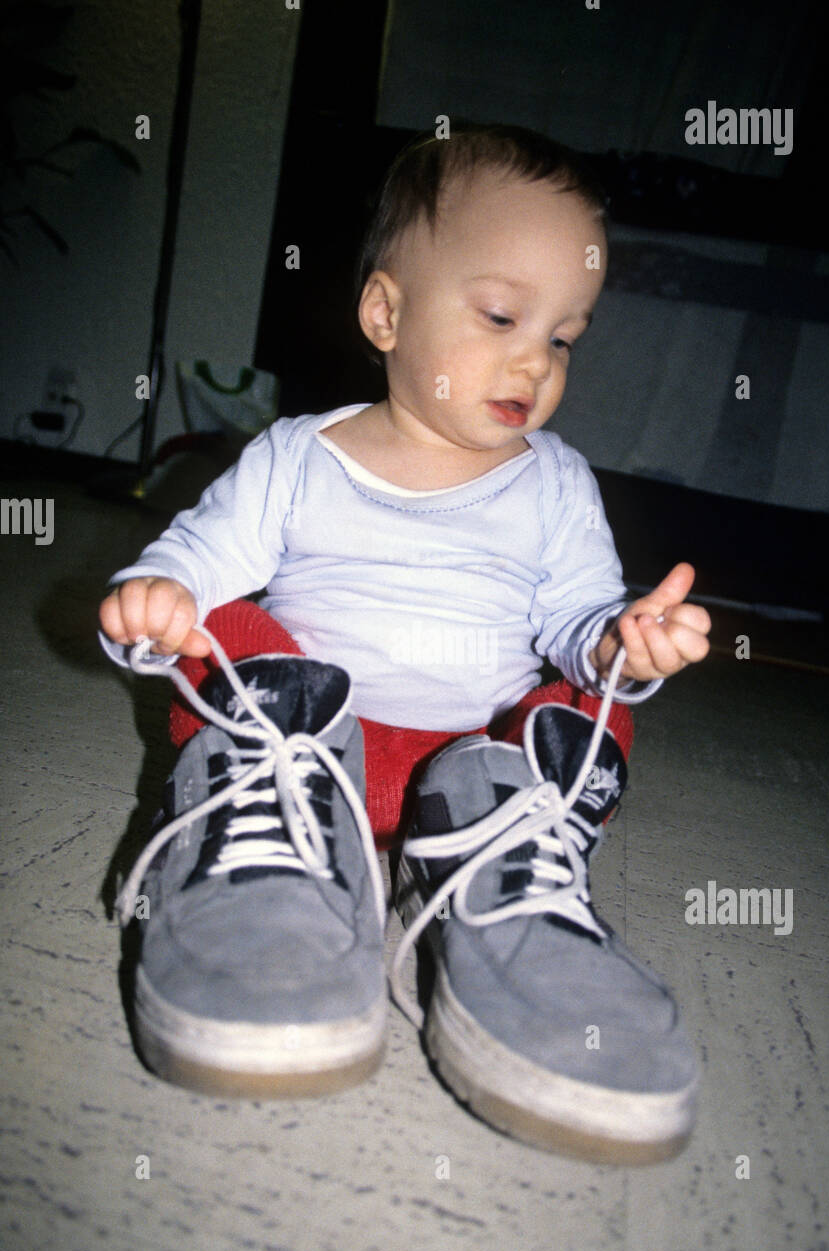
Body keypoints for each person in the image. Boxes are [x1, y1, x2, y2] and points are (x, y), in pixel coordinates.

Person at [99, 124, 710, 1163]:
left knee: (574, 714)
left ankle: (499, 881)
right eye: (504, 315)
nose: (536, 358)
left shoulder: (557, 482)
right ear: (385, 312)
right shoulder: (297, 456)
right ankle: (273, 863)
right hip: (306, 751)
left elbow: (571, 624)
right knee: (229, 635)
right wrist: (158, 597)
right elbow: (198, 556)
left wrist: (619, 645)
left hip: (473, 776)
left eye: (565, 335)